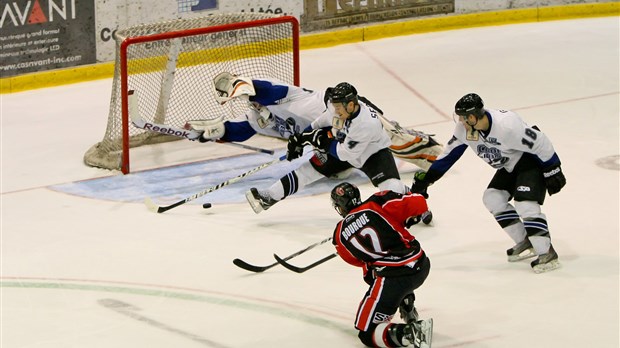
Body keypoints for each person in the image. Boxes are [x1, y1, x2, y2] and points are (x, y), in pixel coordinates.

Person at [187, 73, 442, 214]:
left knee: (394, 138)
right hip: (333, 131)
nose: (250, 101)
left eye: (246, 95)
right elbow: (238, 130)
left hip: (345, 117)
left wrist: (237, 85)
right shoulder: (259, 116)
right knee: (319, 165)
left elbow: (259, 88)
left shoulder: (281, 95)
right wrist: (215, 132)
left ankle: (433, 155)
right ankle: (272, 195)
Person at [410, 93, 566, 273]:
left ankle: (547, 253)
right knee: (492, 198)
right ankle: (526, 241)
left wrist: (553, 169)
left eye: (462, 117)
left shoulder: (506, 125)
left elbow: (540, 141)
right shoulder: (464, 130)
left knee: (525, 204)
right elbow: (449, 155)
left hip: (530, 161)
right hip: (509, 165)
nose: (459, 121)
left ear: (472, 117)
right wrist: (428, 179)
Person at [329, 182, 433, 348]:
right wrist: (403, 217)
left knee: (367, 333)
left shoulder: (339, 234)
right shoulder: (378, 202)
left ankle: (411, 332)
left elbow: (358, 261)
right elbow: (419, 203)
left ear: (340, 206)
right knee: (389, 268)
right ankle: (406, 301)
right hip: (421, 264)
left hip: (394, 280)